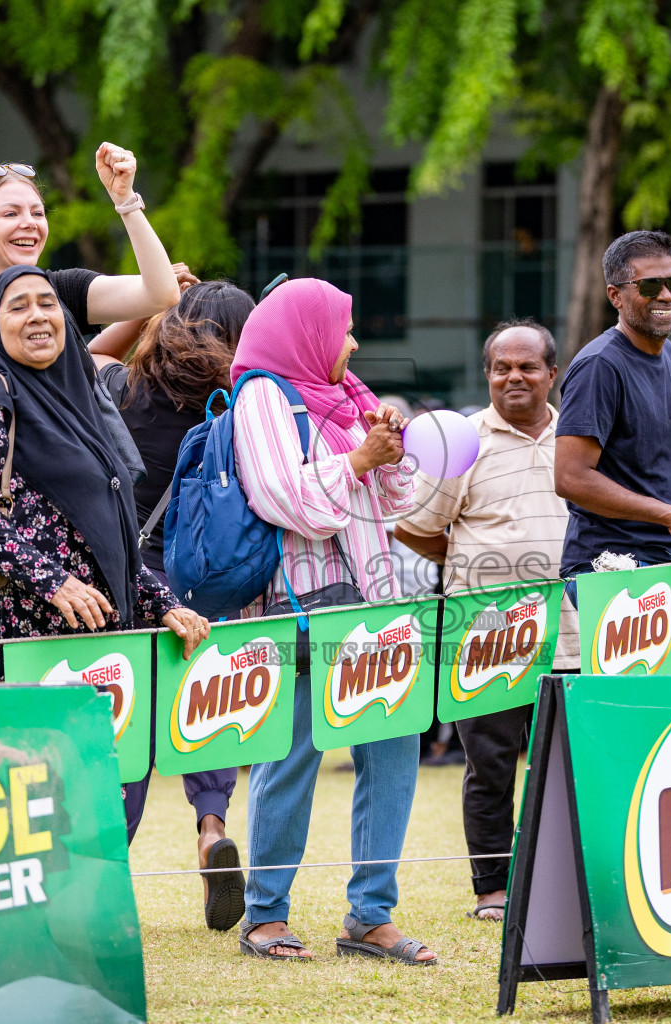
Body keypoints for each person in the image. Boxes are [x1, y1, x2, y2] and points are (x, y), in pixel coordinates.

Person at [0, 40, 181, 641]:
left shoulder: (56, 292)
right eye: (10, 213)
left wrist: (126, 201)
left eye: (37, 212)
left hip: (70, 521)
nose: (30, 224)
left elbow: (160, 293)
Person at [231, 278, 431, 964]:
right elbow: (285, 498)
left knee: (394, 748)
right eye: (343, 328)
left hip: (373, 605)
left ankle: (371, 917)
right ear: (308, 333)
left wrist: (390, 455)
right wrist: (358, 461)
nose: (352, 341)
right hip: (298, 606)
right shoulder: (264, 395)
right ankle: (264, 915)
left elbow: (393, 502)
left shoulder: (350, 396)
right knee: (291, 757)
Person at [393, 318, 580, 923]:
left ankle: (563, 883)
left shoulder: (580, 440)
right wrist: (472, 563)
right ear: (488, 374)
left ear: (552, 373)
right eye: (501, 367)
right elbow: (412, 526)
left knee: (568, 767)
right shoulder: (462, 442)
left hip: (575, 635)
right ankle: (492, 891)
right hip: (487, 639)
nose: (513, 377)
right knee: (492, 767)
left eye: (527, 367)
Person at [0, 266, 207, 662]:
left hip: (97, 638)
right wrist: (54, 582)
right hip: (30, 638)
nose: (38, 315)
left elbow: (104, 539)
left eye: (49, 304)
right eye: (18, 307)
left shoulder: (79, 402)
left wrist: (164, 603)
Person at [93, 280, 256, 932]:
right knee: (205, 710)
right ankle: (209, 830)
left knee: (123, 730)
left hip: (119, 580)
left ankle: (104, 875)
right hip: (203, 581)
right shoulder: (239, 412)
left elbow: (86, 350)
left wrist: (152, 301)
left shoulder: (116, 391)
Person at [554, 230, 671, 674]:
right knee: (664, 706)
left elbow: (656, 466)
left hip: (666, 564)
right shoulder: (600, 365)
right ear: (616, 295)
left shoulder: (668, 354)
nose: (667, 295)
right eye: (650, 286)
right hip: (615, 569)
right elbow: (571, 478)